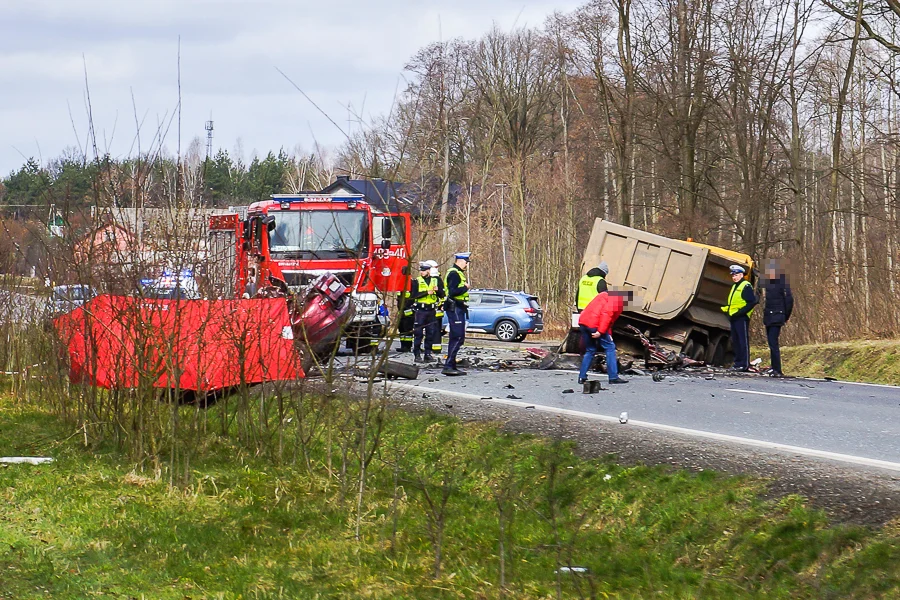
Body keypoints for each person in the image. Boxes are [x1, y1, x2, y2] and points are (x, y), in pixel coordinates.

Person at [578, 289, 631, 385]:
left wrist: (608, 334)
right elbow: (606, 315)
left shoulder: (603, 295)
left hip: (583, 322)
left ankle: (582, 377)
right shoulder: (617, 300)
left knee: (590, 350)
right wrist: (600, 331)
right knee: (610, 348)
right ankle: (613, 377)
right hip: (595, 325)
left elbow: (607, 320)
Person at [721, 264, 757, 372]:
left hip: (741, 318)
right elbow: (733, 302)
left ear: (741, 275)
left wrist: (740, 313)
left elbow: (751, 303)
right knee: (735, 341)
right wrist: (727, 310)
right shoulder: (734, 286)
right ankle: (737, 363)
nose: (734, 277)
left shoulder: (745, 286)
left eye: (736, 275)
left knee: (742, 341)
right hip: (734, 317)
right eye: (733, 275)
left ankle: (744, 364)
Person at [761, 259, 793, 378]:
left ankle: (777, 369)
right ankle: (774, 367)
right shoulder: (768, 283)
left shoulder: (783, 283)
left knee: (773, 343)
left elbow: (789, 300)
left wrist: (785, 316)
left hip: (777, 316)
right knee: (771, 343)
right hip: (769, 316)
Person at [442, 252, 471, 376]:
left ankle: (451, 364)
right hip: (455, 308)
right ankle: (448, 365)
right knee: (458, 336)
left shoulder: (457, 272)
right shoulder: (454, 273)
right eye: (466, 262)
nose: (467, 265)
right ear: (459, 261)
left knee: (457, 336)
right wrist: (465, 288)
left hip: (458, 308)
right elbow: (453, 292)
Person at [409, 261, 441, 363]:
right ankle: (417, 354)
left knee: (430, 333)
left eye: (424, 270)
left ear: (428, 271)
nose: (422, 272)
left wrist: (438, 291)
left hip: (431, 310)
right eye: (421, 271)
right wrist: (426, 292)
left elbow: (442, 295)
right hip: (420, 311)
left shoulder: (434, 281)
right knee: (418, 333)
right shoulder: (416, 281)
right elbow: (414, 295)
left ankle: (428, 354)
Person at [426, 260, 445, 357]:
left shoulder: (436, 279)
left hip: (435, 309)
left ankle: (434, 348)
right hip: (433, 309)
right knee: (434, 329)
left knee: (435, 329)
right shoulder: (436, 279)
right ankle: (433, 348)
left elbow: (442, 294)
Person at [396, 288, 414, 352]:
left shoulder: (412, 284)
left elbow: (413, 297)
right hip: (401, 312)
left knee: (407, 329)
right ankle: (403, 346)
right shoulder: (400, 286)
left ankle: (408, 346)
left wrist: (407, 307)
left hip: (408, 312)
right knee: (401, 329)